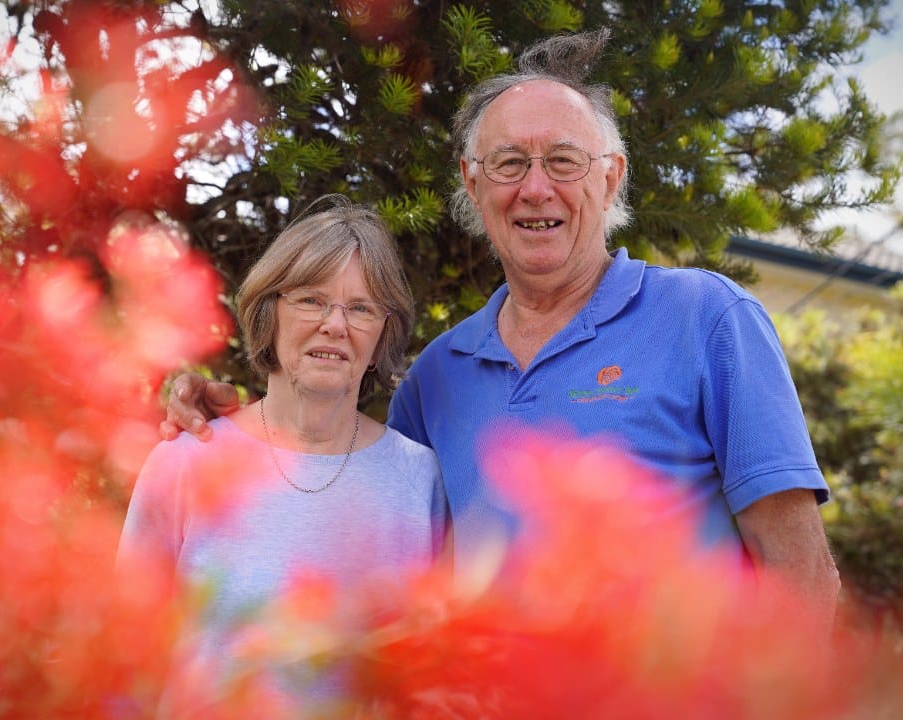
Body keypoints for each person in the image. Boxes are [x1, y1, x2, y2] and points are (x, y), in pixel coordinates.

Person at [161, 30, 840, 634]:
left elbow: (802, 582)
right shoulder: (437, 377)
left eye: (564, 161)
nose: (536, 188)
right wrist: (235, 414)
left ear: (611, 180)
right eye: (510, 163)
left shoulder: (708, 319)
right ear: (473, 184)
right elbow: (339, 462)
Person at [119, 195, 448, 714]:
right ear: (269, 312)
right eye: (312, 300)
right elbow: (124, 659)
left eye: (361, 308)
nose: (335, 325)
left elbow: (432, 672)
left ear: (382, 331)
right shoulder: (187, 461)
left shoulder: (417, 478)